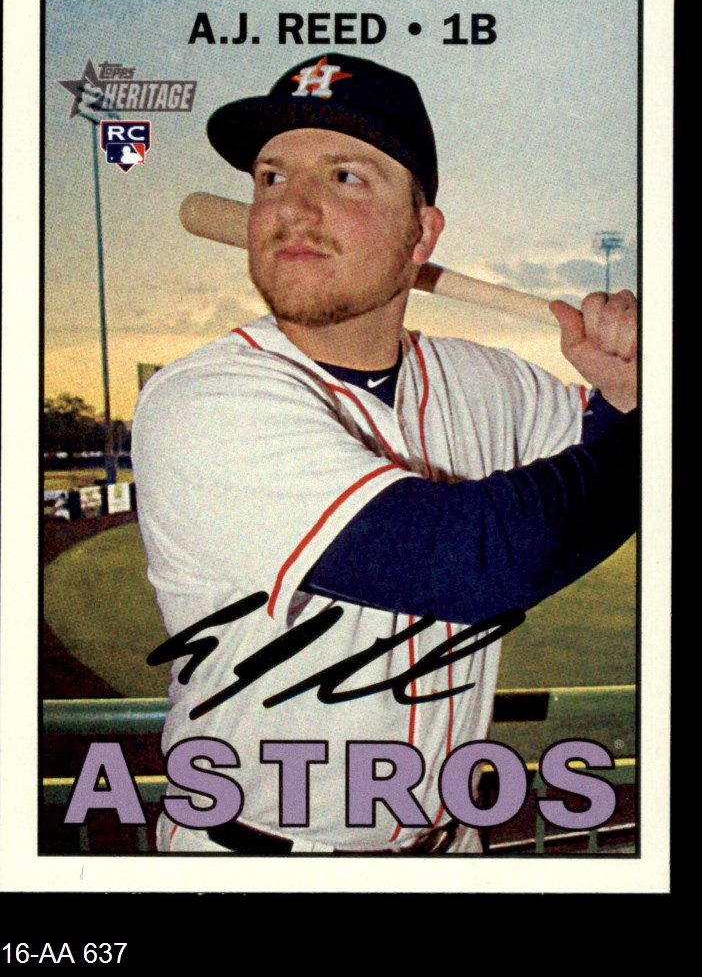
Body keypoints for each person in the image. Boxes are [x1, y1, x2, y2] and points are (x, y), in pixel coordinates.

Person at [133, 53, 637, 855]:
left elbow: (610, 455)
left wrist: (625, 388)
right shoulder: (202, 399)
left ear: (420, 234)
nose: (291, 207)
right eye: (270, 177)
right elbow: (480, 559)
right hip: (256, 855)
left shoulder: (488, 381)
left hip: (450, 846)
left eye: (344, 177)